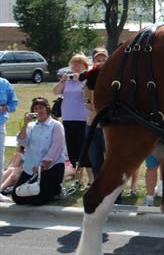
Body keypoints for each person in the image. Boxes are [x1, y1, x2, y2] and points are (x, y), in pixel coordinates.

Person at [12, 97, 66, 205]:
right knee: (16, 196)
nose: (38, 111)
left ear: (47, 109)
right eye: (35, 108)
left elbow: (56, 148)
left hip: (50, 167)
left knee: (39, 199)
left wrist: (42, 165)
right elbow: (22, 141)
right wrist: (25, 123)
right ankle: (46, 192)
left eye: (41, 107)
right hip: (31, 169)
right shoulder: (31, 126)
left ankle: (56, 191)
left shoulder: (56, 126)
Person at [53, 53, 92, 187]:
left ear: (84, 66)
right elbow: (56, 91)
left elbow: (88, 93)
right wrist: (63, 80)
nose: (75, 66)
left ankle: (91, 179)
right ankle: (78, 179)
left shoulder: (87, 79)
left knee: (84, 149)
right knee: (73, 150)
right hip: (68, 118)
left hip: (82, 118)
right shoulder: (67, 79)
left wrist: (80, 80)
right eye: (73, 63)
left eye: (78, 63)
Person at [84, 48, 109, 177]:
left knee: (111, 163)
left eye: (104, 60)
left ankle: (115, 196)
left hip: (108, 127)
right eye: (98, 60)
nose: (101, 62)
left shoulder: (112, 79)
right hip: (92, 125)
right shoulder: (89, 79)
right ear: (93, 62)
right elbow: (86, 99)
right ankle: (99, 193)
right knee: (95, 162)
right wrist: (88, 103)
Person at [0, 76, 18, 202]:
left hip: (0, 124)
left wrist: (4, 108)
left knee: (0, 158)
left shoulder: (4, 83)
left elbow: (13, 102)